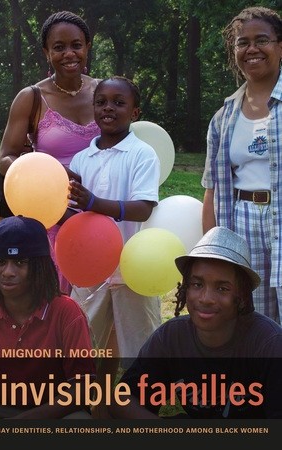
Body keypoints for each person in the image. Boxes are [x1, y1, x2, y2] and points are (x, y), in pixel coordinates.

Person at [108, 226, 282, 419]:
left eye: (222, 288)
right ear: (185, 289)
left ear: (241, 296)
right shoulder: (172, 338)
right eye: (197, 285)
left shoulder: (269, 344)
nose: (206, 298)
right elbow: (123, 400)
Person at [67, 76, 162, 416]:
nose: (109, 108)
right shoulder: (82, 159)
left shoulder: (141, 154)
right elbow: (73, 211)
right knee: (83, 344)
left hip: (134, 268)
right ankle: (93, 407)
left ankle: (143, 410)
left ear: (134, 111)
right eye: (102, 101)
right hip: (89, 268)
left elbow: (143, 206)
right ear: (93, 108)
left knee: (141, 348)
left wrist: (94, 202)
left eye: (119, 103)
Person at [0, 11, 101, 295]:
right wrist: (45, 176)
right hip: (50, 218)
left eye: (76, 45)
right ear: (46, 52)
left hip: (100, 215)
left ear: (87, 47)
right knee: (50, 307)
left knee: (98, 310)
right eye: (59, 47)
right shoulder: (31, 97)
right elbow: (6, 158)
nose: (69, 53)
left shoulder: (104, 93)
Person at [201, 6, 282, 325]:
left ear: (279, 45)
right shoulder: (223, 118)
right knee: (254, 323)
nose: (252, 48)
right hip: (242, 226)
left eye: (261, 39)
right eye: (242, 42)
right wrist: (212, 254)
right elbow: (213, 192)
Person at [0, 215, 96, 419]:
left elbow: (82, 389)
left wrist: (23, 423)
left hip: (56, 413)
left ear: (40, 268)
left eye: (20, 262)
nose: (7, 272)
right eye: (0, 261)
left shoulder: (66, 312)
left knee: (80, 422)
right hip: (1, 410)